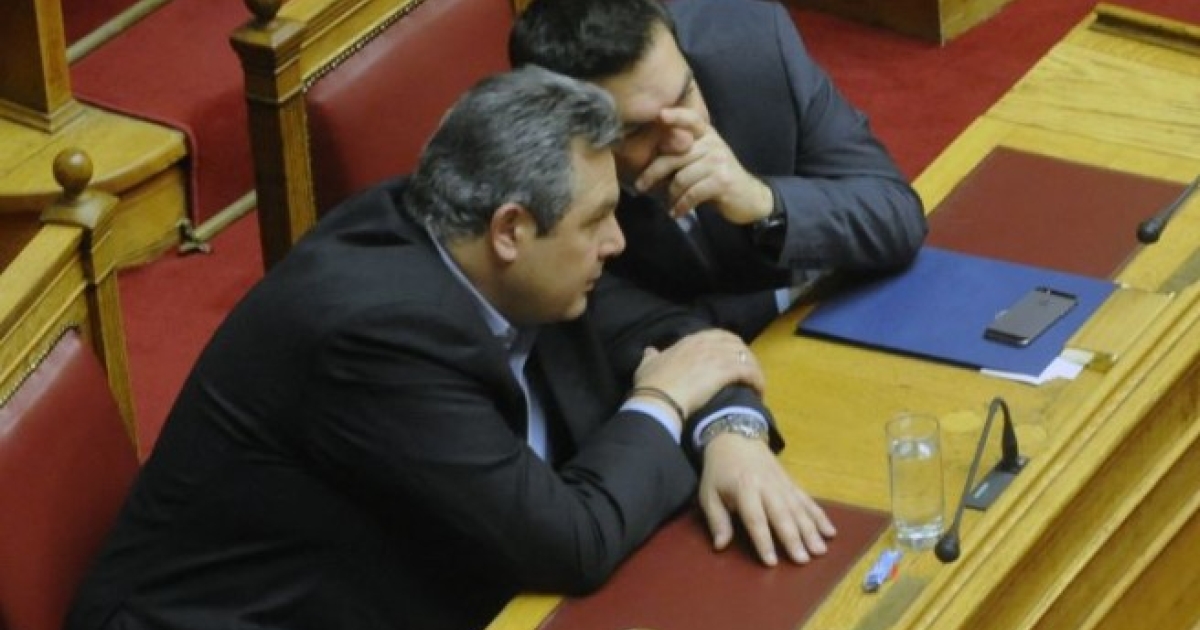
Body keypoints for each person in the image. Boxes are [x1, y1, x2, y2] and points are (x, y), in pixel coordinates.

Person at [66, 66, 834, 630]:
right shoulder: (377, 337)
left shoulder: (487, 244)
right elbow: (570, 543)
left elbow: (676, 337)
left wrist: (730, 433)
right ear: (511, 230)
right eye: (597, 221)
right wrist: (663, 400)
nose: (617, 242)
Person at [510, 0, 928, 340]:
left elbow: (897, 214)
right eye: (638, 130)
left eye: (685, 95)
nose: (681, 140)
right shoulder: (535, 177)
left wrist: (767, 203)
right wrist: (791, 295)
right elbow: (624, 336)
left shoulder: (754, 47)